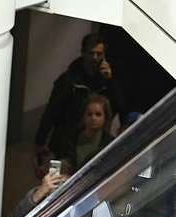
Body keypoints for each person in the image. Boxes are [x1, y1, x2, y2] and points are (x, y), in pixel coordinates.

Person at [34, 33, 125, 163]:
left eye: (99, 54)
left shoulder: (106, 81)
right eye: (91, 53)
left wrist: (110, 81)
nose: (94, 58)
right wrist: (40, 141)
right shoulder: (68, 81)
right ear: (83, 53)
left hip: (95, 142)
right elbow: (51, 112)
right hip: (66, 142)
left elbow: (119, 105)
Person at [62, 93, 115, 170]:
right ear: (84, 116)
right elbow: (58, 163)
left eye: (98, 114)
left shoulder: (110, 143)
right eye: (89, 114)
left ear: (105, 117)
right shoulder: (70, 139)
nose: (93, 118)